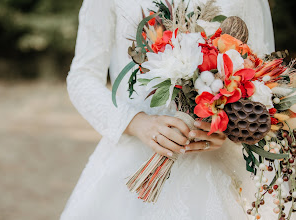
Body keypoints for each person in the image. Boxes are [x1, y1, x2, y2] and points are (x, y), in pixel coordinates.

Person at [61, 0, 275, 219]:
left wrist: (231, 128)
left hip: (218, 163)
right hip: (132, 156)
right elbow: (82, 76)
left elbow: (261, 73)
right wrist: (135, 122)